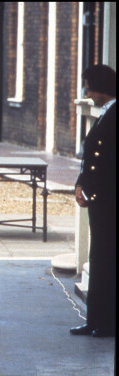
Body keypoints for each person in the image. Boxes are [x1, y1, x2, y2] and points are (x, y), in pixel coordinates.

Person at [70, 65, 116, 338]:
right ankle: (95, 319)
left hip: (110, 202)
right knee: (98, 259)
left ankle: (108, 322)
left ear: (101, 89)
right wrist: (80, 184)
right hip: (99, 201)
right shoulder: (105, 114)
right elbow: (91, 161)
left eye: (89, 87)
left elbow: (107, 163)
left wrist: (92, 190)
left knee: (108, 261)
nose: (87, 93)